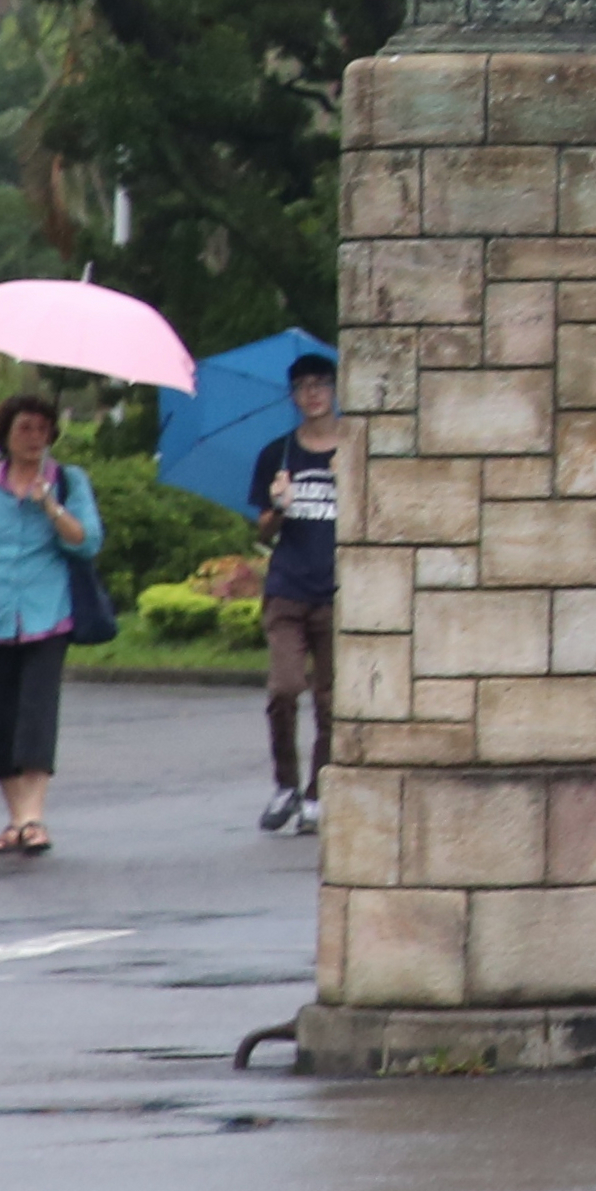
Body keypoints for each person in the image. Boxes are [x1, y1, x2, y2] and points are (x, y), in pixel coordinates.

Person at [0, 394, 102, 861]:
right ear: (5, 435)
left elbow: (87, 542)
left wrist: (50, 506)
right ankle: (16, 821)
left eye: (42, 429)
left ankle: (33, 819)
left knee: (35, 716)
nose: (34, 437)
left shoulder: (68, 481)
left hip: (46, 615)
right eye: (25, 428)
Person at [247, 354, 347, 834]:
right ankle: (285, 784)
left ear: (334, 389)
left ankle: (316, 793)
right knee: (285, 688)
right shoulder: (278, 454)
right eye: (304, 386)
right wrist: (278, 506)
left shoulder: (355, 449)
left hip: (337, 590)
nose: (313, 393)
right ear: (292, 395)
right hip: (288, 589)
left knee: (330, 700)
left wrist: (351, 481)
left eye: (321, 384)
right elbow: (262, 533)